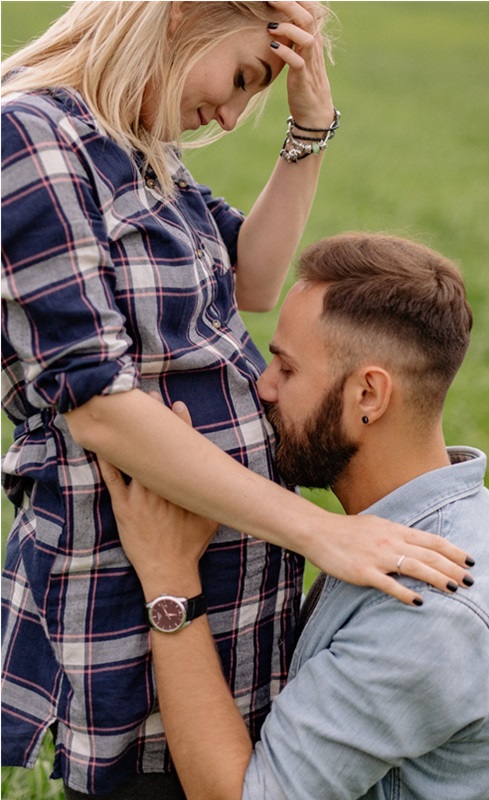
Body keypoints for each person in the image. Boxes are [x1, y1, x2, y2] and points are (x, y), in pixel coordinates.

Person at [1, 1, 473, 797]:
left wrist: (309, 131)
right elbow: (96, 401)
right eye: (244, 77)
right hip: (132, 576)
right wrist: (322, 532)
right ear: (185, 14)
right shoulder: (28, 138)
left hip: (232, 579)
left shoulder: (138, 144)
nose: (227, 113)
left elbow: (250, 280)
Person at [101, 233, 489, 800]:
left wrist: (170, 581)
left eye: (286, 367)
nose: (264, 387)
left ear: (368, 397)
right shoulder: (444, 523)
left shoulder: (426, 610)